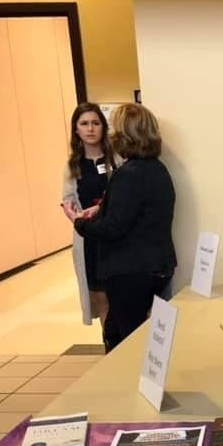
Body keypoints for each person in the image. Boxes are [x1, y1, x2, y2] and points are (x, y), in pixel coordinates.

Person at [63, 103, 176, 351]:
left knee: (128, 343)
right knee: (117, 331)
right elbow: (137, 211)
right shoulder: (157, 169)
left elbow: (113, 228)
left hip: (132, 271)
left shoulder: (128, 174)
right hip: (157, 265)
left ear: (125, 135)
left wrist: (79, 222)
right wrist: (102, 209)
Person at [62, 102, 116, 340]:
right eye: (84, 124)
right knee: (100, 298)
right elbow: (67, 200)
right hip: (89, 240)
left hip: (115, 237)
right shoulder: (72, 165)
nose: (90, 129)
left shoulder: (117, 159)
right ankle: (110, 346)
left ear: (103, 127)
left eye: (95, 123)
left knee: (120, 296)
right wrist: (75, 215)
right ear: (76, 129)